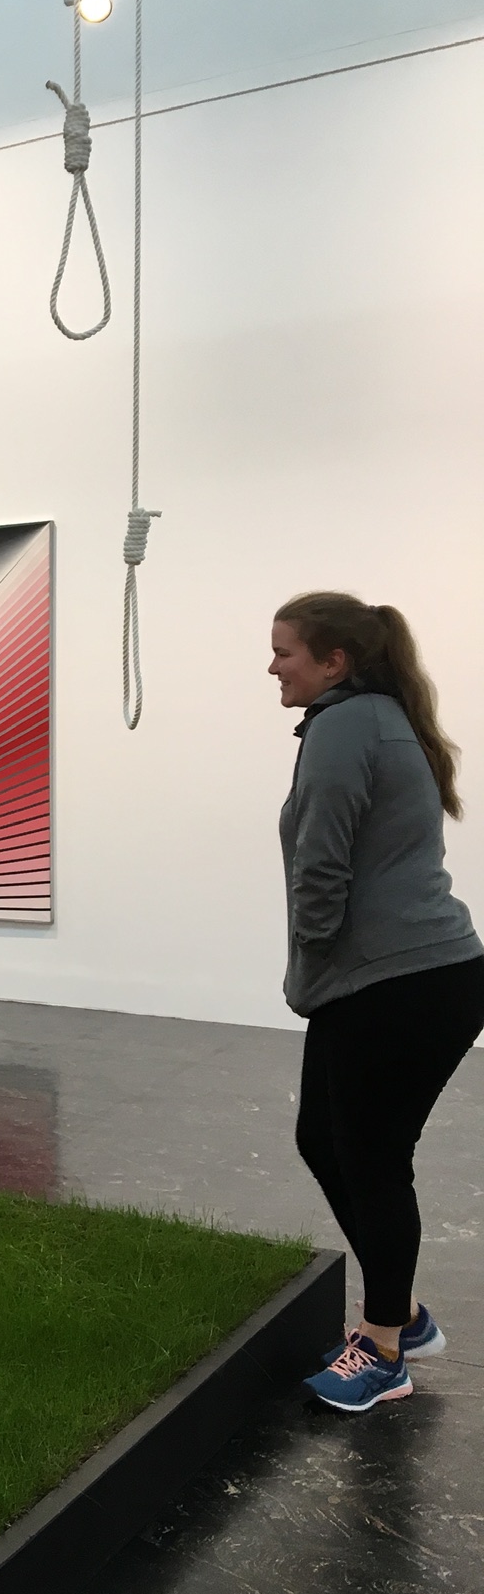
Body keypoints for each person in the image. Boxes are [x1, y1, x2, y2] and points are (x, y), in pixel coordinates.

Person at [271, 593, 484, 1412]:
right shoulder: (380, 717)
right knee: (324, 1138)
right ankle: (405, 1314)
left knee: (372, 1160)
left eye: (285, 651)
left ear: (335, 661)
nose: (272, 666)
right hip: (410, 977)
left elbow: (320, 862)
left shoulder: (346, 724)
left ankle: (385, 1348)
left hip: (398, 981)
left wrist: (314, 957)